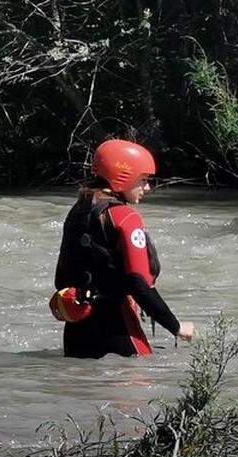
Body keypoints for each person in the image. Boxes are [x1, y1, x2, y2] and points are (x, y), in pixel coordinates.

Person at [51, 139, 194, 358]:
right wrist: (175, 326)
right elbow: (139, 283)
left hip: (76, 328)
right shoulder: (126, 217)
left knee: (81, 388)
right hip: (117, 322)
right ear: (123, 176)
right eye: (143, 179)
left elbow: (61, 279)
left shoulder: (77, 211)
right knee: (138, 385)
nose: (147, 187)